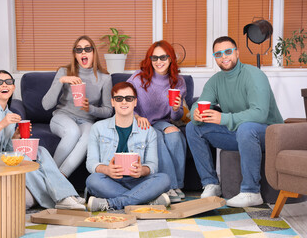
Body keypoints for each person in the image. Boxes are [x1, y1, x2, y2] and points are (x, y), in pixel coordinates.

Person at [0, 70, 86, 210]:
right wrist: (2, 124)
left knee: (40, 151)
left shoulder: (8, 113)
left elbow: (5, 149)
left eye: (9, 82)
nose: (5, 85)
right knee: (24, 159)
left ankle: (67, 195)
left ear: (13, 87)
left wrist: (15, 137)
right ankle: (61, 198)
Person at [186, 36, 283, 207]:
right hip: (240, 134)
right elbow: (198, 104)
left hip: (269, 134)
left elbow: (260, 114)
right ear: (215, 57)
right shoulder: (216, 81)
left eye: (228, 52)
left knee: (246, 129)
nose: (224, 57)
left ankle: (252, 191)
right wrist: (195, 114)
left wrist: (223, 118)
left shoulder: (254, 75)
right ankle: (211, 184)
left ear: (237, 52)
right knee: (193, 127)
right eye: (218, 54)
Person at [85, 82, 171, 211]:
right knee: (93, 180)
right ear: (112, 102)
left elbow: (153, 165)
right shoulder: (97, 128)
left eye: (128, 99)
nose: (124, 102)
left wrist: (142, 171)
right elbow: (91, 163)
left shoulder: (148, 131)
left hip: (138, 181)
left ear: (135, 102)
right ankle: (145, 201)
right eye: (119, 99)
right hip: (109, 181)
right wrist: (107, 170)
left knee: (164, 179)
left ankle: (112, 203)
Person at [42, 35, 113, 177]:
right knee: (73, 132)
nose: (83, 52)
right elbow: (46, 105)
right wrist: (62, 80)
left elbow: (108, 111)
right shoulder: (64, 72)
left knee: (89, 135)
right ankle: (50, 176)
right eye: (79, 50)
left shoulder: (105, 78)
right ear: (75, 55)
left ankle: (60, 176)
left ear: (93, 52)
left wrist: (90, 109)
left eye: (87, 49)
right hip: (62, 117)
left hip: (86, 120)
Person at [127, 40, 187, 203]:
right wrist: (138, 117)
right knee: (156, 138)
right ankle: (169, 185)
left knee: (175, 135)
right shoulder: (138, 79)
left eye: (163, 57)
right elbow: (124, 104)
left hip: (162, 122)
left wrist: (176, 109)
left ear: (170, 59)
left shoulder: (178, 82)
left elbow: (176, 118)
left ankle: (177, 186)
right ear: (150, 60)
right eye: (154, 58)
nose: (159, 62)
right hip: (140, 122)